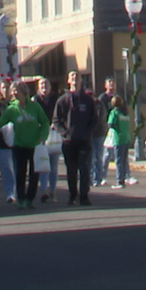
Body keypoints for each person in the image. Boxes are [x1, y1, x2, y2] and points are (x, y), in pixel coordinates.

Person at [0, 80, 49, 210]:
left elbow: (44, 122)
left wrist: (43, 137)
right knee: (20, 173)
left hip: (35, 144)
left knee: (34, 174)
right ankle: (21, 199)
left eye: (17, 91)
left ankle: (30, 199)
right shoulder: (11, 109)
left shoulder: (34, 107)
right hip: (19, 145)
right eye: (13, 91)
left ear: (24, 92)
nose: (14, 93)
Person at [52, 70, 97, 206]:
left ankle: (84, 196)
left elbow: (95, 119)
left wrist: (87, 132)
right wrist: (65, 133)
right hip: (68, 142)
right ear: (68, 81)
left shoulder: (88, 100)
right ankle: (72, 195)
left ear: (81, 80)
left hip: (84, 141)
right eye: (72, 77)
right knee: (71, 170)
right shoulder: (62, 100)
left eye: (77, 77)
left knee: (84, 168)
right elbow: (56, 120)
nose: (75, 79)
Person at [34, 77, 61, 203]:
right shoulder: (35, 100)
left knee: (53, 165)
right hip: (40, 135)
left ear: (50, 86)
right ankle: (44, 190)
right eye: (42, 85)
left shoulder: (56, 99)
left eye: (46, 84)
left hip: (54, 134)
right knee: (43, 163)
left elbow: (60, 114)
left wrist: (56, 124)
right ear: (38, 87)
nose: (44, 86)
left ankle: (52, 190)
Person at [91, 79, 114, 187]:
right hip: (90, 134)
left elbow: (101, 117)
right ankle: (92, 178)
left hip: (100, 132)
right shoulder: (102, 98)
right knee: (92, 157)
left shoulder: (99, 103)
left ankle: (99, 178)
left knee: (99, 156)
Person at [107, 95, 132, 188]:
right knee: (124, 160)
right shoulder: (125, 113)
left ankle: (119, 180)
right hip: (126, 137)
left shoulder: (114, 112)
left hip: (118, 138)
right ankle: (124, 178)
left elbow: (110, 124)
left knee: (118, 160)